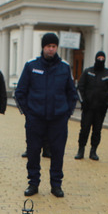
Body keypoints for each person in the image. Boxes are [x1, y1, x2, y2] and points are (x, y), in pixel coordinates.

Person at [14, 32, 78, 197]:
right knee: (33, 152)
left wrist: (66, 113)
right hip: (36, 119)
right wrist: (28, 113)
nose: (51, 49)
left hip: (58, 120)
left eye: (54, 46)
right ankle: (33, 184)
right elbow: (20, 92)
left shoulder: (64, 67)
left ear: (57, 47)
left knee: (57, 152)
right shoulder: (31, 66)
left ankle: (56, 185)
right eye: (48, 46)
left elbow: (72, 94)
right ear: (43, 47)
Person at [75, 51, 108, 160]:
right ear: (95, 58)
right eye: (99, 58)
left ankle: (93, 151)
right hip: (88, 108)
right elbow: (80, 87)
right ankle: (81, 149)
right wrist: (83, 102)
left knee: (97, 130)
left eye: (103, 58)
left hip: (100, 109)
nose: (101, 60)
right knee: (84, 129)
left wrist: (107, 103)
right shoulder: (88, 72)